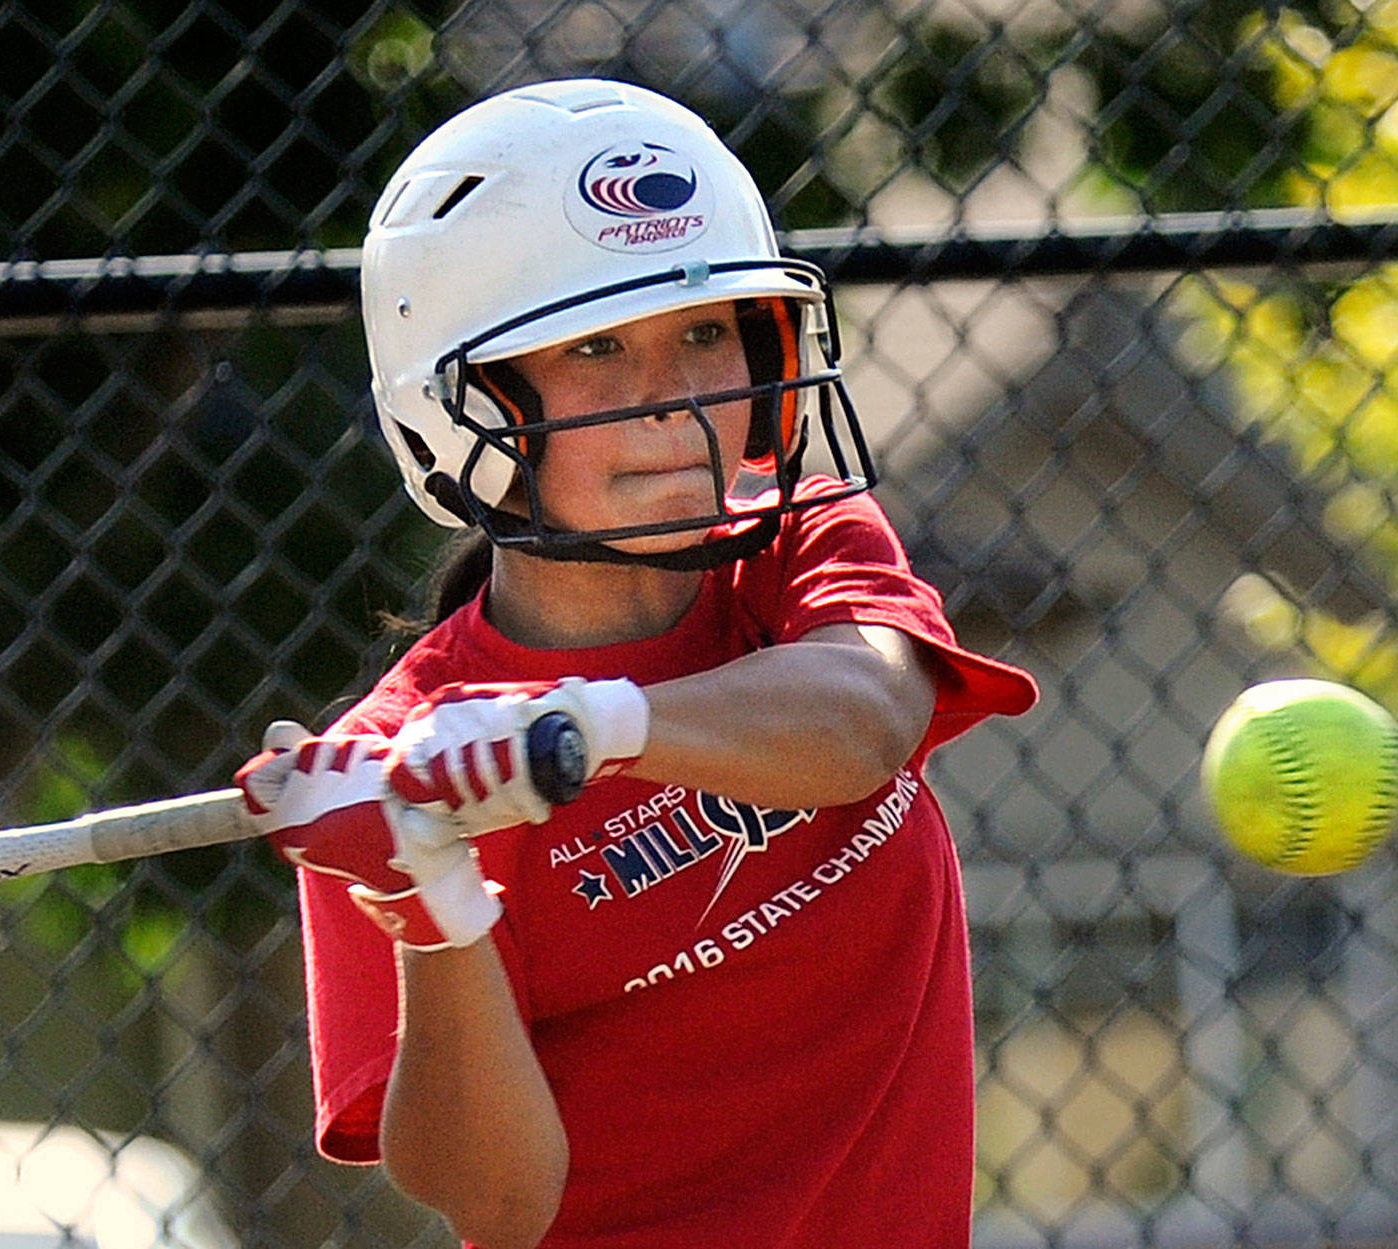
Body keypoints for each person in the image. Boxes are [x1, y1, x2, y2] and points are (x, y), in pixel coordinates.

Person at [235, 78, 1038, 1249]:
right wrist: (427, 899)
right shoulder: (387, 763)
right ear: (459, 407)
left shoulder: (793, 553)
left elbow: (867, 716)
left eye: (705, 333)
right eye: (598, 347)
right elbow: (500, 1203)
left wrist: (588, 727)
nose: (671, 399)